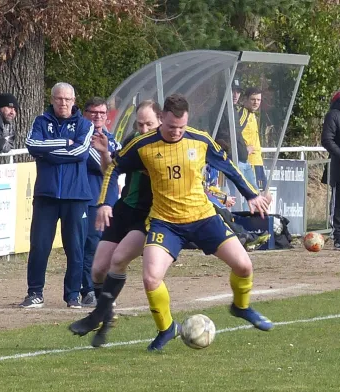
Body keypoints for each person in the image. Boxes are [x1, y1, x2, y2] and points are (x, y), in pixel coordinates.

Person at [70, 94, 273, 351]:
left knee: (244, 265)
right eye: (171, 126)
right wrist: (105, 203)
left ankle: (241, 307)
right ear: (163, 118)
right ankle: (166, 328)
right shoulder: (143, 145)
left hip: (203, 217)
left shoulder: (199, 140)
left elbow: (228, 166)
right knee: (151, 277)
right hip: (165, 222)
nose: (176, 132)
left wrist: (252, 195)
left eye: (181, 127)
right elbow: (114, 168)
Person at [69, 100, 161, 346]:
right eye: (139, 124)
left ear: (160, 121)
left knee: (118, 259)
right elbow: (111, 170)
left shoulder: (168, 146)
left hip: (149, 215)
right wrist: (103, 154)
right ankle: (107, 317)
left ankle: (99, 315)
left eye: (149, 124)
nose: (143, 129)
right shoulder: (133, 141)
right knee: (98, 268)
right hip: (124, 210)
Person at [19, 82, 93, 309]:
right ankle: (35, 292)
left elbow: (81, 152)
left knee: (75, 248)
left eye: (67, 99)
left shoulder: (85, 124)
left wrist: (48, 151)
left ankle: (72, 295)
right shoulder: (41, 121)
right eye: (59, 99)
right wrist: (65, 145)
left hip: (76, 196)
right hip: (46, 195)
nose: (63, 103)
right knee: (40, 246)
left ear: (74, 100)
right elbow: (32, 145)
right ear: (52, 99)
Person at [80, 96, 121, 307]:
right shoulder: (82, 137)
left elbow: (117, 168)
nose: (97, 117)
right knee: (91, 245)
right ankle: (88, 290)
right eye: (93, 113)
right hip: (89, 199)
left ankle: (103, 288)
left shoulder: (112, 139)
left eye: (102, 113)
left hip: (110, 201)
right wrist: (111, 159)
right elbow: (109, 168)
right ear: (85, 114)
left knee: (109, 247)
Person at [215, 80, 258, 196]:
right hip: (233, 161)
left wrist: (244, 148)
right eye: (232, 91)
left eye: (238, 92)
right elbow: (219, 137)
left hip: (243, 159)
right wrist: (228, 155)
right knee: (237, 197)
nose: (235, 95)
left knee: (254, 194)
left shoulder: (233, 109)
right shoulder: (219, 110)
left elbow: (237, 135)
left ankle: (254, 214)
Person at [321, 91, 340, 250]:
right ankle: (338, 238)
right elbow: (327, 139)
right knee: (338, 205)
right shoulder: (333, 115)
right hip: (339, 168)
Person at [238, 87, 267, 190]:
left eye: (258, 100)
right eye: (253, 99)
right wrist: (243, 148)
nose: (256, 102)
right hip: (249, 162)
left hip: (257, 160)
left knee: (262, 195)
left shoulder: (252, 114)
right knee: (253, 196)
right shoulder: (243, 113)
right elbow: (233, 133)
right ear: (246, 99)